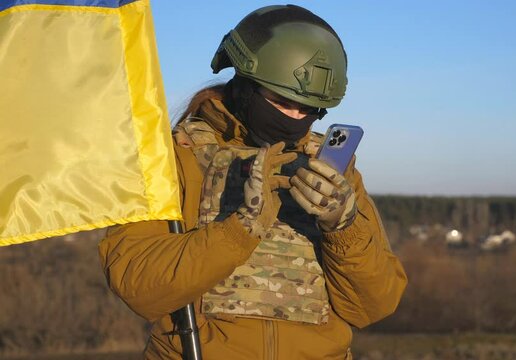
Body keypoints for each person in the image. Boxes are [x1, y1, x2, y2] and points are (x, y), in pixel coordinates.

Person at [99, 5, 407, 359]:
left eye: (310, 109)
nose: (295, 118)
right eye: (281, 102)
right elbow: (138, 285)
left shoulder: (332, 169)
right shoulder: (173, 157)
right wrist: (240, 230)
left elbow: (375, 305)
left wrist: (344, 228)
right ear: (244, 86)